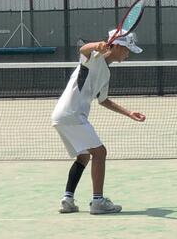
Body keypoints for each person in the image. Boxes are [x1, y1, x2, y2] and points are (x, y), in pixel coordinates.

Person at [53, 30, 146, 215]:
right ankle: (98, 201)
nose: (128, 55)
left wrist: (129, 113)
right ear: (117, 46)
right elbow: (83, 50)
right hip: (72, 114)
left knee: (84, 156)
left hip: (62, 116)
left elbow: (103, 100)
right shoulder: (93, 58)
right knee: (100, 152)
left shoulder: (106, 73)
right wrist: (96, 45)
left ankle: (67, 200)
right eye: (127, 50)